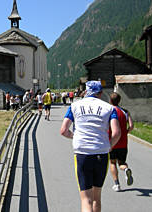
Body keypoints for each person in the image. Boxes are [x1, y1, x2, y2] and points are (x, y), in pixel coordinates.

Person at [60, 81, 121, 212]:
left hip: (82, 152)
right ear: (100, 93)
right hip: (101, 152)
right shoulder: (110, 108)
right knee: (96, 198)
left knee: (85, 199)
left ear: (86, 91)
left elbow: (63, 130)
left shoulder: (74, 106)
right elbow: (116, 132)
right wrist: (109, 146)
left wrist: (75, 136)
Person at [109, 92, 134, 192]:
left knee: (112, 163)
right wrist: (126, 132)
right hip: (123, 141)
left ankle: (117, 184)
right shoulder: (125, 112)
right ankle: (125, 169)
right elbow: (131, 126)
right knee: (122, 162)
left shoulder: (109, 111)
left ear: (110, 101)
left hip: (112, 141)